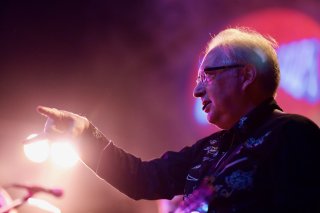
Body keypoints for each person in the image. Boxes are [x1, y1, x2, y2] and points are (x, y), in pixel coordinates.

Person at [31, 27, 320, 212]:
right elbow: (142, 179)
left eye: (207, 75)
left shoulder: (292, 133)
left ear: (245, 75)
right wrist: (83, 134)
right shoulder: (210, 148)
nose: (196, 90)